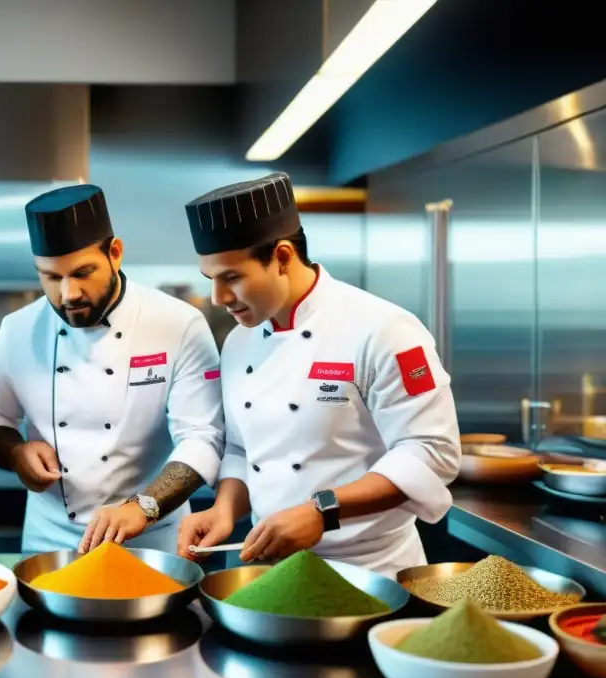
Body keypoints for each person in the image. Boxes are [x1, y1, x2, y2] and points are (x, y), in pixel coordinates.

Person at [177, 172, 461, 577]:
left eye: (232, 277)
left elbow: (432, 452)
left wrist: (322, 510)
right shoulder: (239, 342)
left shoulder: (384, 329)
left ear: (282, 257)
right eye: (212, 280)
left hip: (368, 570)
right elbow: (242, 450)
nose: (219, 298)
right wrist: (224, 509)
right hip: (268, 570)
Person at [0, 183, 225, 554]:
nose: (68, 294)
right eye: (50, 277)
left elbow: (203, 436)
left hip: (151, 537)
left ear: (115, 253)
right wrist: (16, 453)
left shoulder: (179, 324)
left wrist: (145, 506)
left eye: (82, 273)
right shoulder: (18, 329)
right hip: (50, 538)